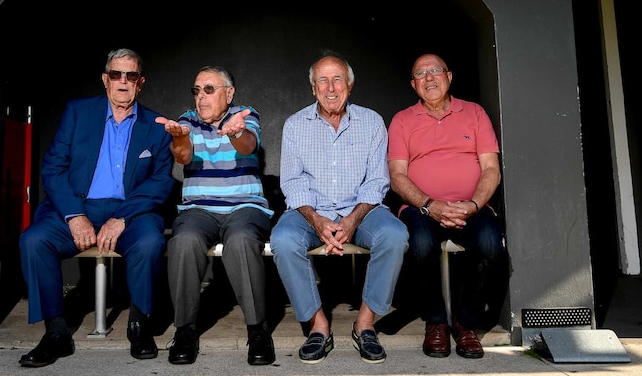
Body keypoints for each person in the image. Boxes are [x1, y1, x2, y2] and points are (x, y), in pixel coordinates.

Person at [18, 48, 174, 368]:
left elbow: (160, 181)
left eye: (131, 76)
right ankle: (56, 332)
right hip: (79, 205)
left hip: (130, 211)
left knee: (150, 242)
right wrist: (75, 216)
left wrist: (122, 217)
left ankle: (139, 324)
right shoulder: (78, 113)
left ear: (140, 83)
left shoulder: (156, 126)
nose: (122, 81)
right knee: (34, 240)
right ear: (105, 79)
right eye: (116, 74)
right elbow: (53, 168)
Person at [270, 53, 408, 365]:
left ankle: (365, 324)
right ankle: (318, 326)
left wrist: (353, 218)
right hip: (310, 210)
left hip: (361, 209)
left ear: (350, 85)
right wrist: (317, 219)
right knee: (283, 240)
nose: (330, 87)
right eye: (323, 80)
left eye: (337, 79)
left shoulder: (371, 121)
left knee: (394, 235)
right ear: (313, 88)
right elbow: (292, 183)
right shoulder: (295, 125)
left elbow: (377, 180)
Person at [387, 53, 505, 360]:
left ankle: (465, 323)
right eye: (420, 74)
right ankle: (436, 321)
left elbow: (491, 168)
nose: (429, 78)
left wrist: (473, 204)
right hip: (421, 208)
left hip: (473, 206)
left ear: (449, 77)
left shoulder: (475, 113)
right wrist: (430, 205)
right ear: (413, 85)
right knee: (422, 244)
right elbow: (397, 176)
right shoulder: (402, 120)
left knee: (491, 245)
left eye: (435, 71)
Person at [155, 66, 275, 366]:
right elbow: (183, 156)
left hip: (244, 207)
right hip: (199, 209)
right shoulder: (187, 120)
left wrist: (235, 131)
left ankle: (258, 330)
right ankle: (184, 331)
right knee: (183, 241)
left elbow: (248, 144)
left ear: (229, 93)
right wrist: (180, 138)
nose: (201, 97)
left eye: (209, 89)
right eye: (197, 90)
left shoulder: (244, 114)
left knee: (242, 239)